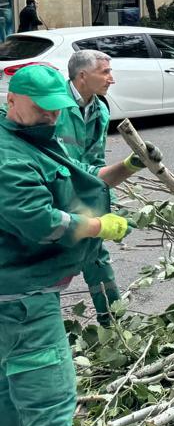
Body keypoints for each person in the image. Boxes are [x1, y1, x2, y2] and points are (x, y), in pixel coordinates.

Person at [0, 64, 161, 426]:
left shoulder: (31, 138)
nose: (51, 118)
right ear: (13, 101)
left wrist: (128, 167)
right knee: (47, 390)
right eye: (42, 110)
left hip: (14, 288)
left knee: (9, 384)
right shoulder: (9, 159)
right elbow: (42, 221)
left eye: (57, 111)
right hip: (21, 292)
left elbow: (80, 177)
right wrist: (98, 225)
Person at [53, 51, 120, 327]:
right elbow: (61, 162)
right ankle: (48, 328)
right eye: (105, 72)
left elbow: (95, 159)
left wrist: (103, 196)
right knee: (52, 264)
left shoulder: (100, 109)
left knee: (96, 257)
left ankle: (113, 324)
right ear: (83, 76)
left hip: (81, 194)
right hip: (54, 197)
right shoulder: (56, 106)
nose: (111, 79)